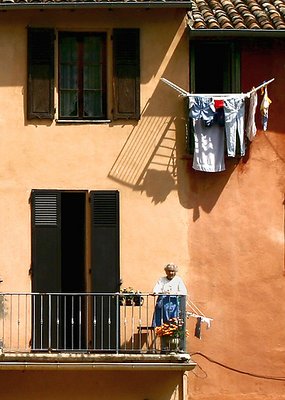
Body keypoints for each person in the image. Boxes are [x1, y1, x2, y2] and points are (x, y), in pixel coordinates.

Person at [152, 263, 187, 327]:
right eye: (169, 271)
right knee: (161, 321)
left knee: (173, 321)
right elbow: (156, 289)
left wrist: (174, 293)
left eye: (173, 271)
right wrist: (157, 292)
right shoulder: (162, 279)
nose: (171, 273)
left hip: (173, 304)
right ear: (166, 271)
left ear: (175, 272)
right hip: (162, 303)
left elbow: (183, 291)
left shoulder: (178, 280)